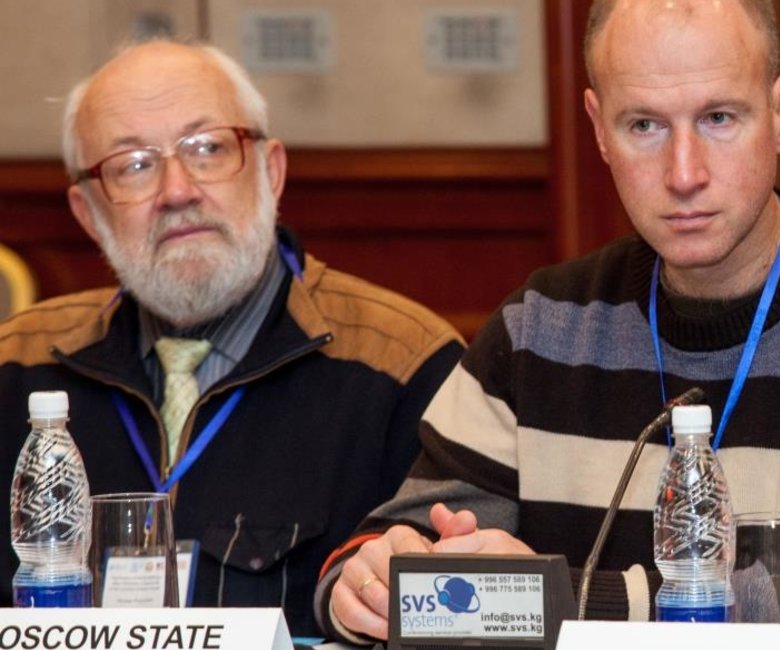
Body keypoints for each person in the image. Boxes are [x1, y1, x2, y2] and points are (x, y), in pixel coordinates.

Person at [316, 0, 780, 647]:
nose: (684, 174)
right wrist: (367, 585)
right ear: (599, 129)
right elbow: (389, 553)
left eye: (718, 118)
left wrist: (553, 603)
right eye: (644, 126)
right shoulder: (539, 326)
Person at [0, 40, 464, 638]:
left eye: (208, 148)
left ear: (271, 171)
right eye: (133, 164)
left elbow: (447, 619)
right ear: (88, 213)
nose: (177, 190)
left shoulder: (404, 367)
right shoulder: (16, 367)